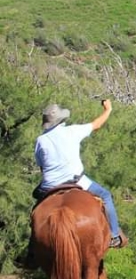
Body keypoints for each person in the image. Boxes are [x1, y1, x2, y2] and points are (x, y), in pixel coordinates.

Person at [33, 100, 127, 249]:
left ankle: (32, 248)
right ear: (61, 119)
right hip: (77, 181)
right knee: (106, 195)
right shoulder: (72, 131)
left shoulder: (40, 140)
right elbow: (97, 124)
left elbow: (42, 167)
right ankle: (114, 235)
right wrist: (108, 109)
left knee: (36, 210)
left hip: (49, 185)